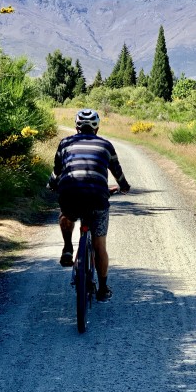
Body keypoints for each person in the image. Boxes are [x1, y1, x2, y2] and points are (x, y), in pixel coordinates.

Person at [48, 109, 130, 302]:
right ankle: (102, 289)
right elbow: (117, 172)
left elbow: (57, 172)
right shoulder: (106, 145)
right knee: (99, 245)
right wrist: (124, 187)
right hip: (97, 198)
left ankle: (68, 247)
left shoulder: (65, 143)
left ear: (76, 127)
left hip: (70, 195)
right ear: (97, 128)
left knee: (65, 215)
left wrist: (51, 185)